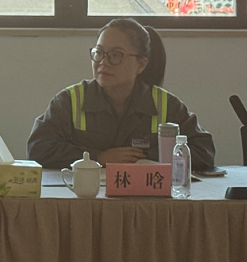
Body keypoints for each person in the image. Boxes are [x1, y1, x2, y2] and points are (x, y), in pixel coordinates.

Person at [27, 18, 215, 170]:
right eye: (99, 53)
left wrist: (145, 158)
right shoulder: (70, 100)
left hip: (145, 197)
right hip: (87, 197)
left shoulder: (165, 104)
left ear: (140, 64)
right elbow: (38, 148)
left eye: (115, 55)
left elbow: (204, 152)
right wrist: (98, 158)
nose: (103, 63)